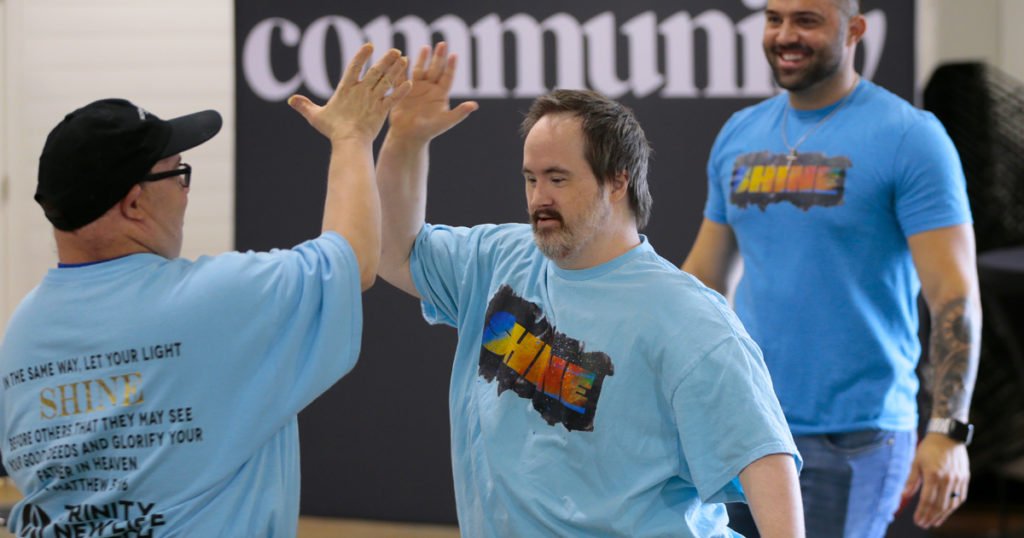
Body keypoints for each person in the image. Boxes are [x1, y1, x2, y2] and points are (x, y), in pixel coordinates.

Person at [375, 42, 804, 537]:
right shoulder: (497, 258)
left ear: (617, 181)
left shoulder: (688, 318)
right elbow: (393, 251)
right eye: (531, 179)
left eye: (558, 178)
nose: (539, 199)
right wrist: (404, 140)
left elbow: (765, 459)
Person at [0, 45, 410, 535]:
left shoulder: (20, 333)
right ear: (134, 204)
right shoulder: (216, 300)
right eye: (179, 174)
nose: (186, 191)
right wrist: (351, 135)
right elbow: (351, 260)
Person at [681, 0, 981, 535]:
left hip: (858, 438)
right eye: (774, 19)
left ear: (855, 29)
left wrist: (947, 430)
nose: (785, 35)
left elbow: (954, 296)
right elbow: (705, 277)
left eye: (807, 21)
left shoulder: (911, 137)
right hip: (748, 422)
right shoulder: (739, 133)